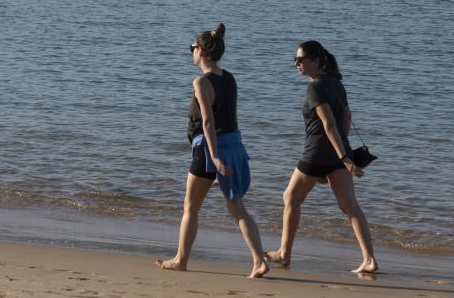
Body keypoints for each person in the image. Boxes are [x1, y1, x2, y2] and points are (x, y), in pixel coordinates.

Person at [156, 23, 269, 278]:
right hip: (233, 145)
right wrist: (230, 152)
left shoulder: (201, 82)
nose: (191, 52)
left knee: (191, 208)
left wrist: (215, 157)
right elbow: (233, 117)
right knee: (238, 209)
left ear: (202, 51)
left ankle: (180, 260)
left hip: (209, 150)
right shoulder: (229, 78)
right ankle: (258, 260)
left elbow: (208, 121)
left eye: (192, 47)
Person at [265, 40, 378, 274]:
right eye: (295, 60)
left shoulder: (315, 87)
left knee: (291, 197)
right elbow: (346, 118)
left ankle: (284, 253)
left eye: (301, 59)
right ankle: (369, 259)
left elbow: (328, 124)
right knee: (350, 207)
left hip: (317, 152)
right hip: (339, 151)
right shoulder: (337, 83)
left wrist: (345, 159)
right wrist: (343, 153)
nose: (297, 63)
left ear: (316, 61)